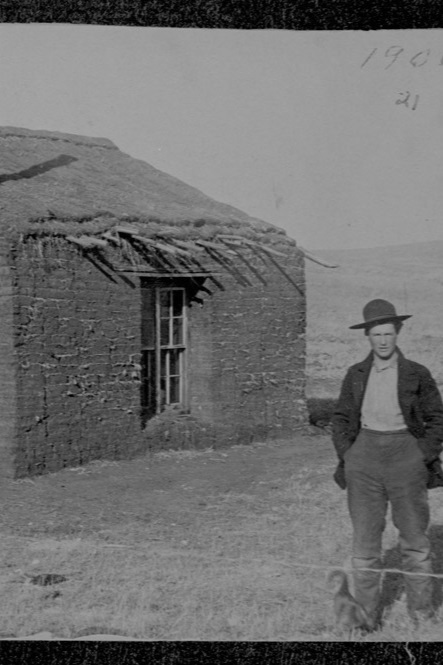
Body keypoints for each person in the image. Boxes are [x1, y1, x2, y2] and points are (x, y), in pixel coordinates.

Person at [332, 298, 443, 628]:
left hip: (405, 455)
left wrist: (421, 454)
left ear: (398, 333)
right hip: (364, 459)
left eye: (388, 333)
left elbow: (437, 418)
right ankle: (365, 618)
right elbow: (340, 418)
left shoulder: (416, 374)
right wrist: (348, 454)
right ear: (367, 336)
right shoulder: (356, 375)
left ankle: (421, 615)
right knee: (365, 545)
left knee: (414, 543)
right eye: (376, 334)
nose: (382, 340)